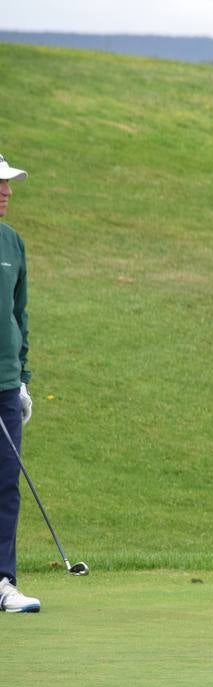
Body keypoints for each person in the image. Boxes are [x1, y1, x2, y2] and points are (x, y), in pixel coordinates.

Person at [0, 151, 39, 613]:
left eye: (8, 183)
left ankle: (4, 580)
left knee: (5, 484)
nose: (7, 190)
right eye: (1, 184)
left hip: (6, 386)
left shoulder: (13, 244)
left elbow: (18, 316)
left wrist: (22, 379)